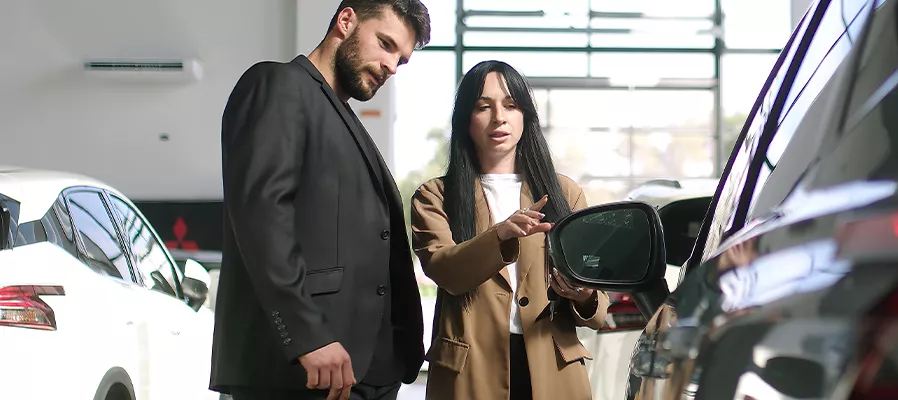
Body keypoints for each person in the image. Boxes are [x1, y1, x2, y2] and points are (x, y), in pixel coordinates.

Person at [211, 1, 431, 399]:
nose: (391, 66)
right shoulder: (278, 85)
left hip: (368, 371)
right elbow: (262, 216)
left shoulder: (345, 120)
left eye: (401, 60)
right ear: (346, 21)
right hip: (308, 367)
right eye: (385, 44)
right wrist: (306, 336)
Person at [410, 60, 608, 400]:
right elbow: (444, 269)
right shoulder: (434, 196)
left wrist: (583, 295)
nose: (499, 117)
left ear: (525, 116)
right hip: (471, 371)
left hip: (552, 367)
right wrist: (499, 235)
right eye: (483, 106)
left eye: (511, 105)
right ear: (465, 120)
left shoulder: (565, 193)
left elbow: (597, 300)